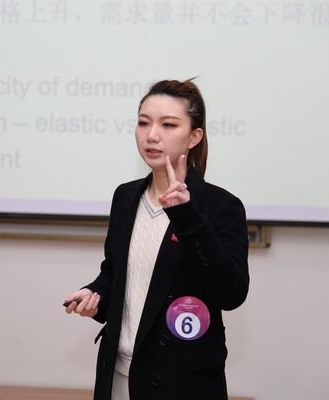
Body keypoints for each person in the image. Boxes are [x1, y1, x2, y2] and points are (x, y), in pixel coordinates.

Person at [63, 79, 250, 400]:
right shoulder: (125, 197)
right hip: (118, 373)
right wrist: (95, 295)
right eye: (143, 123)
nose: (151, 135)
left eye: (168, 125)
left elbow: (231, 293)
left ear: (194, 137)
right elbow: (114, 275)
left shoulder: (220, 206)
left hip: (181, 381)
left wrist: (188, 217)